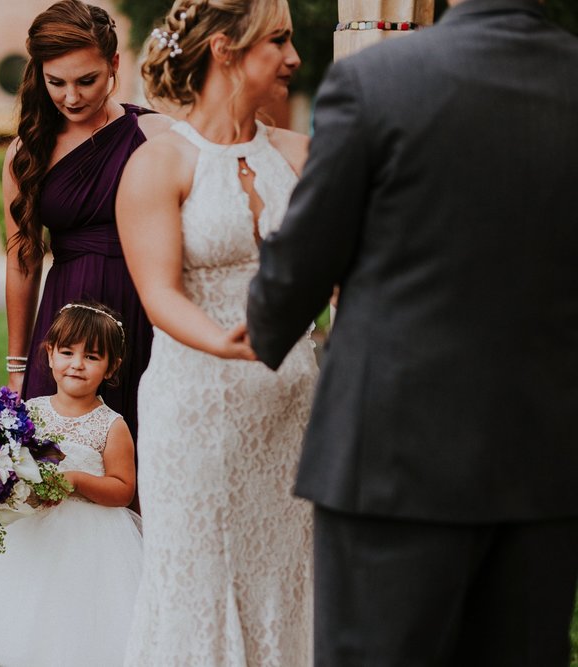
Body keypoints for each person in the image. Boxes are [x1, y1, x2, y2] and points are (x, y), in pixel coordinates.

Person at [245, 0, 578, 664]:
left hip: (391, 462)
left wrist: (271, 305)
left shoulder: (379, 82)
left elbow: (299, 273)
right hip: (547, 464)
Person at [115, 0, 316, 664]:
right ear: (226, 50)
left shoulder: (300, 154)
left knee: (286, 581)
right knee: (200, 584)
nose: (293, 58)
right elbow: (159, 293)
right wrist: (225, 340)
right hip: (197, 408)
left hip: (293, 414)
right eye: (278, 41)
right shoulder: (161, 162)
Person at [0, 301, 141, 667]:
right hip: (29, 536)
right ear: (50, 354)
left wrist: (77, 481)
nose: (77, 364)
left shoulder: (111, 426)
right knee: (18, 623)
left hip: (90, 548)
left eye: (92, 356)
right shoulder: (30, 413)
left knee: (73, 631)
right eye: (67, 352)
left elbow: (123, 490)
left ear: (112, 366)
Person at [4, 0, 171, 442]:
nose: (71, 97)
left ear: (115, 64)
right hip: (64, 319)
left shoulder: (158, 137)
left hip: (144, 313)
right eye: (56, 82)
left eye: (87, 80)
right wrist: (17, 366)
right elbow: (23, 258)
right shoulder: (27, 152)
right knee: (55, 471)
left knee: (143, 469)